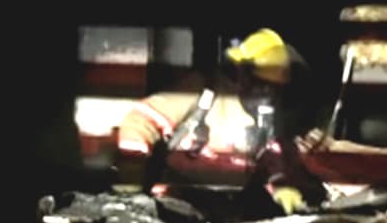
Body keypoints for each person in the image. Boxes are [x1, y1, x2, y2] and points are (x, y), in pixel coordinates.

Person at [117, 28, 324, 212]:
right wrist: (131, 175)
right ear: (241, 74)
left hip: (228, 206)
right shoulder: (204, 91)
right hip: (175, 198)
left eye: (274, 89)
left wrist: (282, 186)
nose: (266, 95)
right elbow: (141, 119)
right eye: (260, 84)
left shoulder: (267, 118)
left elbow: (273, 155)